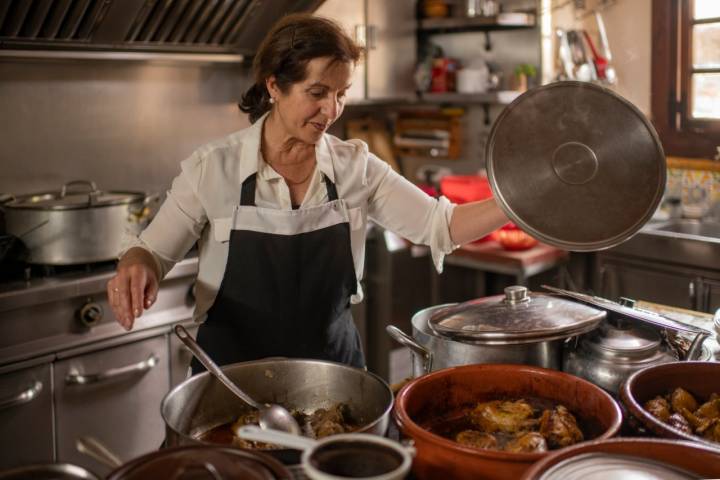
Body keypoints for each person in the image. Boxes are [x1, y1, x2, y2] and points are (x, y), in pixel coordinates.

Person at [107, 13, 507, 374]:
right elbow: (152, 253)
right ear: (274, 87)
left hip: (332, 381)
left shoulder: (356, 167)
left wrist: (520, 200)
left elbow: (442, 226)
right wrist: (138, 265)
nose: (332, 110)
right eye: (317, 93)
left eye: (341, 93)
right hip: (230, 388)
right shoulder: (214, 167)